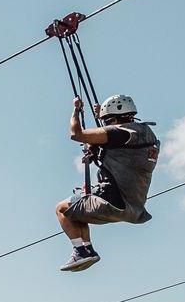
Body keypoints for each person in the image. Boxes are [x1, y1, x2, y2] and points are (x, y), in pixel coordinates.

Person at [55, 92, 159, 272]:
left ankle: (81, 249)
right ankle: (85, 250)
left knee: (62, 209)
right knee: (78, 207)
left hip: (112, 201)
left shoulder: (119, 133)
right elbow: (118, 146)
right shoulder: (146, 134)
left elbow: (76, 134)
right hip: (134, 208)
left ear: (112, 119)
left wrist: (76, 111)